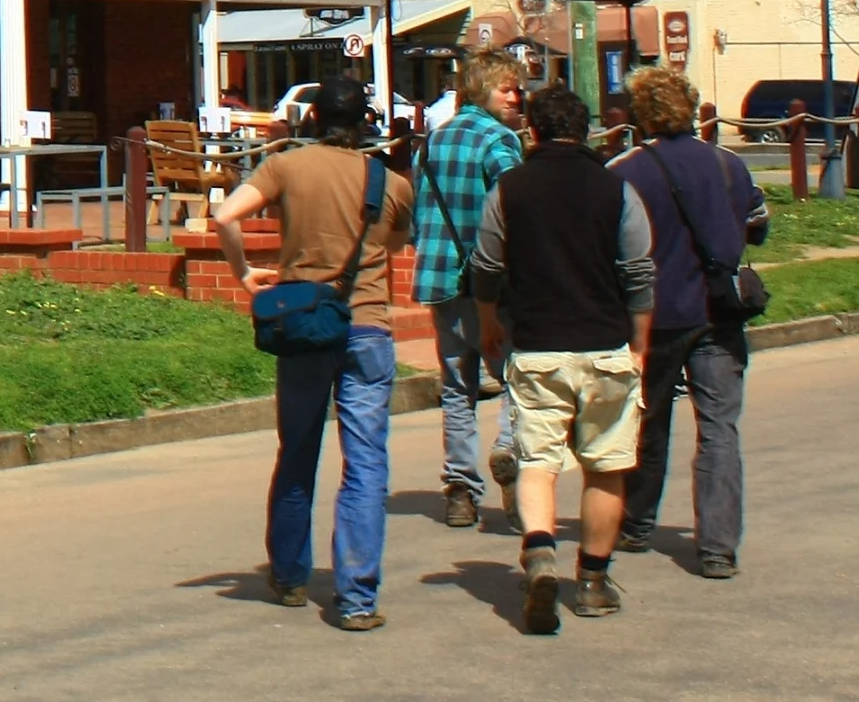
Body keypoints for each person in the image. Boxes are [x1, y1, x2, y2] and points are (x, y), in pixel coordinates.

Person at [213, 76, 412, 631]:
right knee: (366, 462)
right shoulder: (389, 182)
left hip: (305, 324)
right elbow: (394, 246)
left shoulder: (285, 166)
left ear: (312, 119)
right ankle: (357, 596)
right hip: (368, 325)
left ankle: (291, 573)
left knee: (298, 449)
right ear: (363, 125)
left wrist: (245, 272)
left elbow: (227, 216)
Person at [472, 83, 657, 634]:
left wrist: (487, 321)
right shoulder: (616, 190)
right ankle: (594, 582)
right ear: (587, 131)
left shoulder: (510, 189)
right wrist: (641, 342)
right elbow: (639, 273)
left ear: (531, 130)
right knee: (606, 466)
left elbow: (485, 265)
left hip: (535, 348)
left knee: (538, 463)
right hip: (604, 343)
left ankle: (540, 551)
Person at [611, 67, 764, 579]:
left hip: (653, 317)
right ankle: (718, 545)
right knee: (719, 428)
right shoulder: (727, 164)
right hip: (718, 311)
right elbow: (757, 225)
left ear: (639, 115)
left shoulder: (625, 171)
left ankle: (635, 521)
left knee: (647, 420)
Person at [411, 51, 528, 530]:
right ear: (483, 91)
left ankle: (460, 489)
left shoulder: (432, 142)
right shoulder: (500, 141)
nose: (516, 96)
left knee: (458, 388)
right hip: (492, 284)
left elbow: (420, 213)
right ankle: (511, 459)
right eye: (507, 88)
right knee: (515, 380)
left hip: (440, 279)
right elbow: (517, 210)